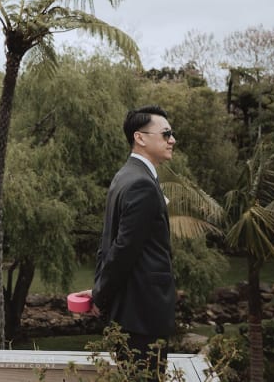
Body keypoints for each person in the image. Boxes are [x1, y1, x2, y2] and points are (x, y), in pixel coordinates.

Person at [74, 105, 177, 373]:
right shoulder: (141, 184)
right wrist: (100, 295)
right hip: (143, 314)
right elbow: (122, 249)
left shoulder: (125, 176)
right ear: (139, 137)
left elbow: (109, 244)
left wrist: (100, 289)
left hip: (132, 313)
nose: (173, 140)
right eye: (166, 134)